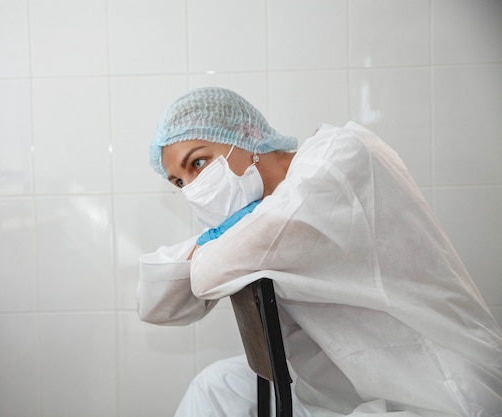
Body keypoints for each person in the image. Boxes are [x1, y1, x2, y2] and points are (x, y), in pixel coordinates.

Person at [137, 87, 502, 417]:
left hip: (438, 389)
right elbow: (156, 302)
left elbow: (205, 274)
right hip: (351, 378)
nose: (192, 189)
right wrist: (220, 232)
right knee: (215, 388)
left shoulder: (335, 160)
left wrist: (219, 236)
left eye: (198, 163)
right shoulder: (255, 213)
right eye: (180, 182)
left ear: (246, 134)